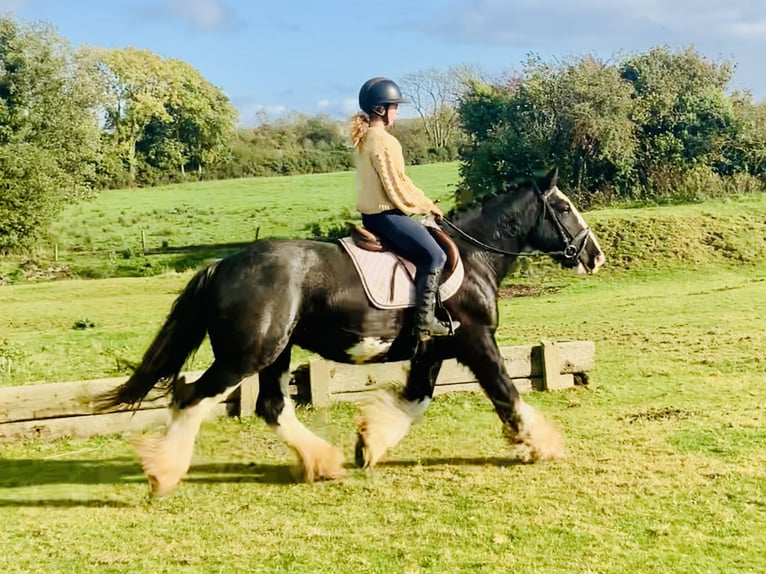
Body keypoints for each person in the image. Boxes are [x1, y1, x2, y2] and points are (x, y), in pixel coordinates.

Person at [351, 76, 454, 341]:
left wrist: (425, 203)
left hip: (370, 217)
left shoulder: (363, 139)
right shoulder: (385, 142)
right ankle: (424, 323)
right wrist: (426, 207)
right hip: (387, 217)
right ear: (380, 109)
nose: (397, 111)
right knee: (436, 256)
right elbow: (397, 186)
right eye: (394, 106)